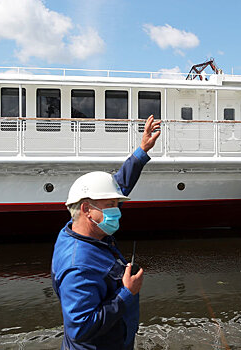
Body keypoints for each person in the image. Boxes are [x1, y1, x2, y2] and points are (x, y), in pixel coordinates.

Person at [51, 116, 161, 350]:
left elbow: (118, 185)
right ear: (86, 209)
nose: (117, 209)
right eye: (111, 204)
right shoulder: (78, 266)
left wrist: (142, 151)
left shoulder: (81, 226)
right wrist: (126, 293)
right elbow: (80, 329)